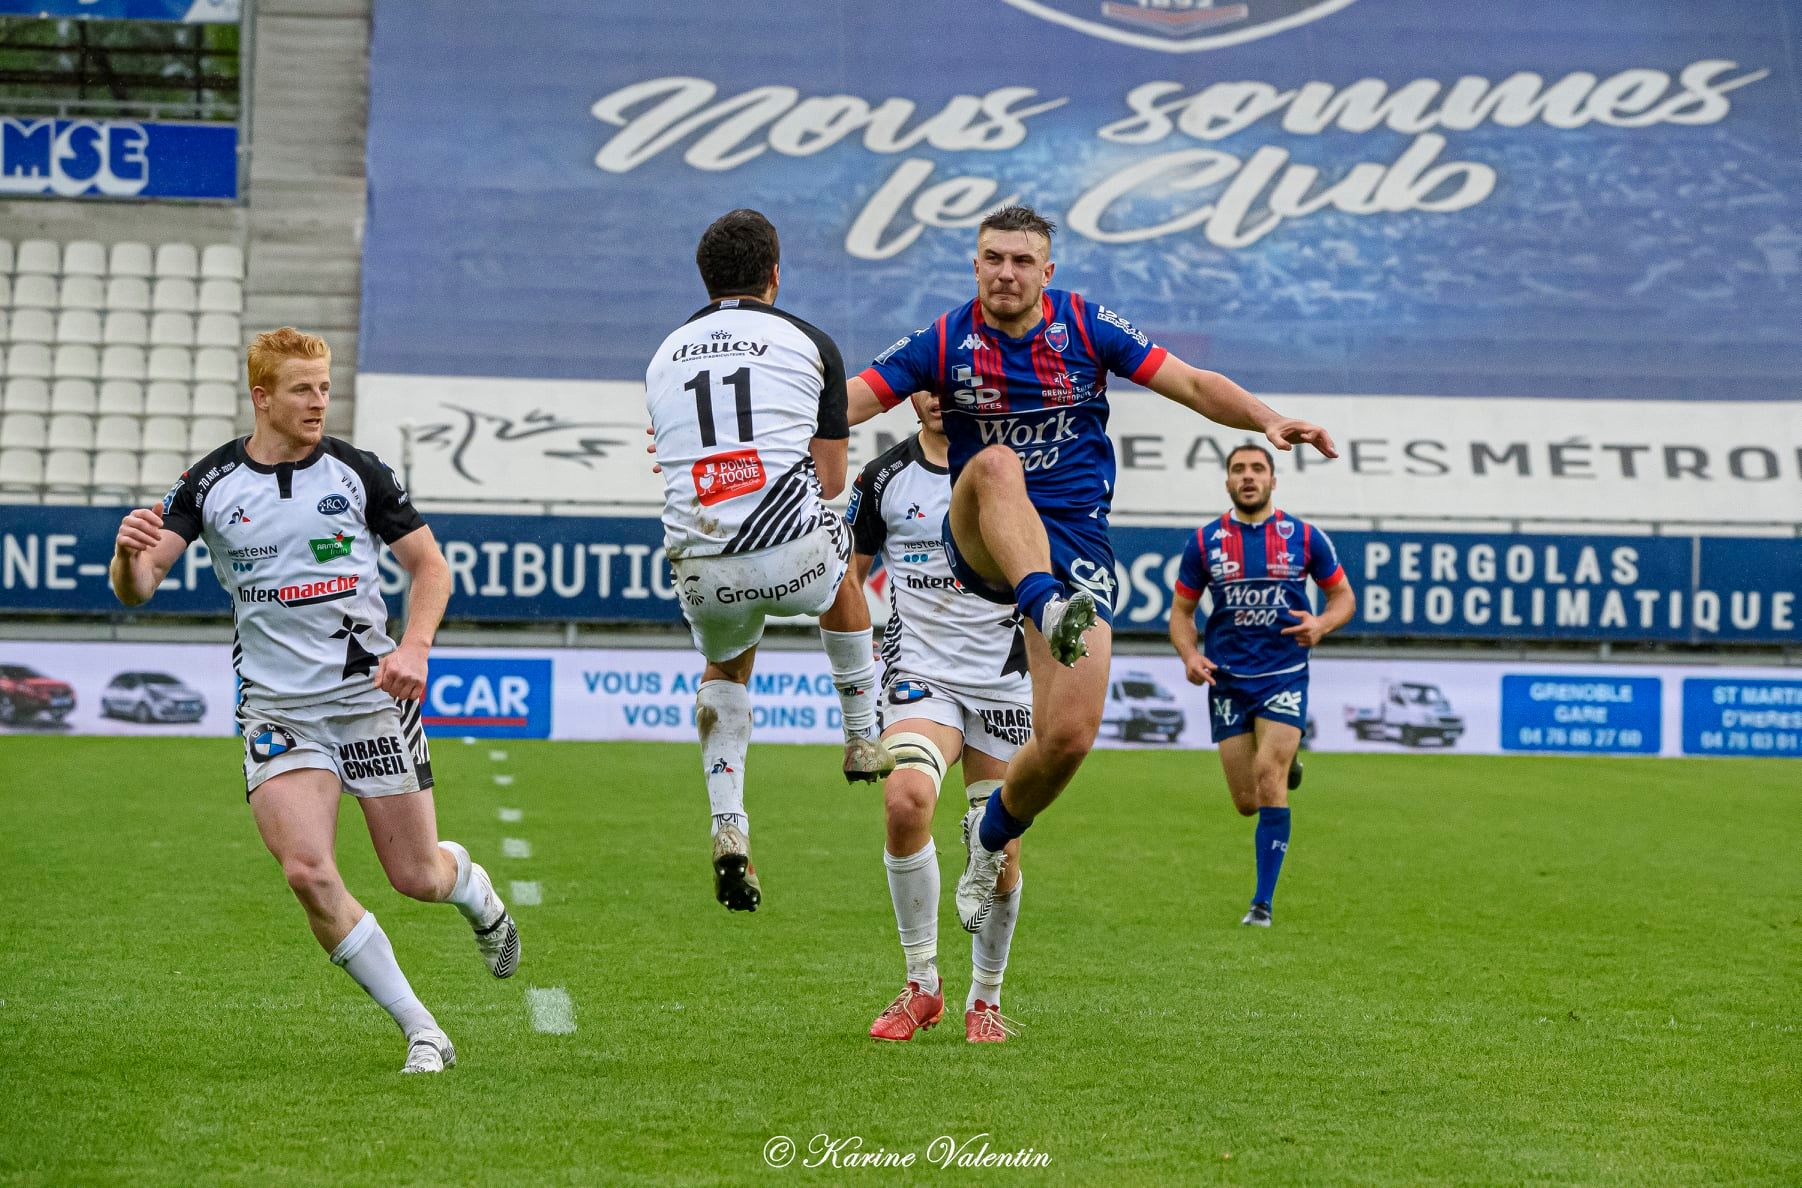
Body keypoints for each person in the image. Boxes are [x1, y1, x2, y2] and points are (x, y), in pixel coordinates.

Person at [844, 205, 1337, 933]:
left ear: (1048, 271)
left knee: (1068, 738)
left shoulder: (1085, 326)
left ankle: (990, 838)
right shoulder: (944, 341)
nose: (1005, 272)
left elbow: (1195, 385)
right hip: (980, 534)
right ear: (974, 265)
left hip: (1077, 545)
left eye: (1021, 261)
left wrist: (1264, 418)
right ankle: (1043, 600)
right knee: (997, 463)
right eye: (992, 258)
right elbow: (846, 402)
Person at [109, 327, 518, 1076]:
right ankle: (424, 1031)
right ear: (261, 396)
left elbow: (430, 568)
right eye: (303, 388)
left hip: (369, 700)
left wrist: (415, 648)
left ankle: (477, 893)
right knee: (306, 871)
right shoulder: (207, 484)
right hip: (277, 710)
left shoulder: (359, 473)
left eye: (324, 387)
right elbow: (140, 587)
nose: (318, 402)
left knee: (417, 877)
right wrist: (127, 555)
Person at [645, 208, 891, 914]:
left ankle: (729, 824)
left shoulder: (664, 353)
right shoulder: (809, 342)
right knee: (843, 560)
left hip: (700, 558)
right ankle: (862, 737)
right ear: (775, 275)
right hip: (793, 553)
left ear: (705, 277)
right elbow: (835, 477)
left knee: (725, 671)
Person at [845, 392, 1031, 1044]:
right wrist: (858, 702)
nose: (934, 398)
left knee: (998, 844)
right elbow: (848, 581)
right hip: (920, 676)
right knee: (905, 798)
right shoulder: (883, 478)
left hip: (1007, 681)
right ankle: (922, 983)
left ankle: (986, 998)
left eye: (948, 386)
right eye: (923, 385)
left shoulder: (1014, 470)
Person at [1168, 443, 1355, 926]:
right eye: (1239, 470)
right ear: (1228, 482)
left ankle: (1262, 904)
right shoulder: (1205, 541)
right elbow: (1182, 613)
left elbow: (1342, 597)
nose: (1248, 477)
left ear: (1273, 480)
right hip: (1228, 680)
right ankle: (1287, 765)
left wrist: (1322, 625)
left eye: (1257, 469)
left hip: (1284, 673)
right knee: (1247, 802)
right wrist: (1190, 655)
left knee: (1269, 779)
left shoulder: (1305, 537)